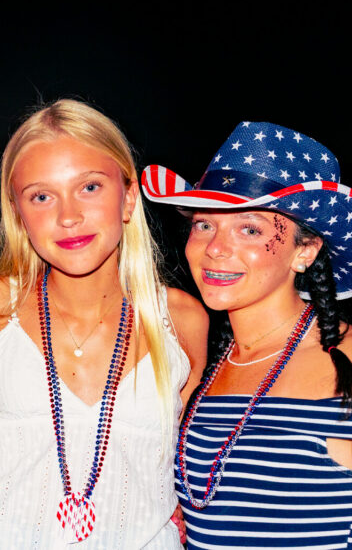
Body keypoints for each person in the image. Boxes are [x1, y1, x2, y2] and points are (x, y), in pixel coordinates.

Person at [0, 99, 208, 548]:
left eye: (89, 187)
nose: (68, 216)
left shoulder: (183, 320)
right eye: (42, 196)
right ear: (19, 214)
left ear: (128, 198)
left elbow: (178, 458)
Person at [142, 121, 352, 548]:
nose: (215, 247)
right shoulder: (199, 365)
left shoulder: (346, 355)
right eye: (204, 225)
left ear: (305, 251)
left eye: (249, 229)